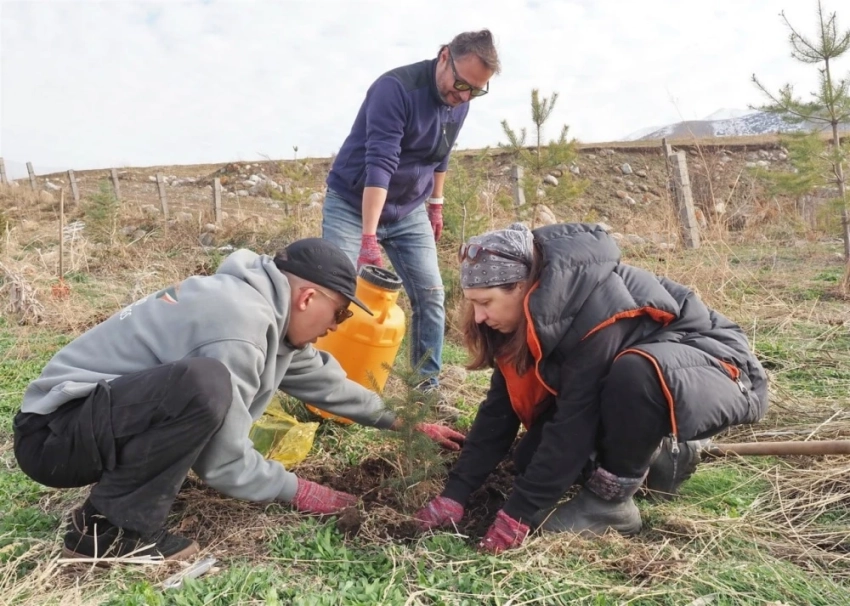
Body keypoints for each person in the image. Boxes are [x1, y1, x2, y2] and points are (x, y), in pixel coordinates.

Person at [13, 238, 464, 562]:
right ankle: (108, 530)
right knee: (205, 384)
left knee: (201, 385)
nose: (336, 325)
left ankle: (128, 498)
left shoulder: (264, 312)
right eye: (340, 312)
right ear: (308, 297)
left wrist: (403, 422)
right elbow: (223, 463)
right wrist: (304, 491)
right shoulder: (239, 325)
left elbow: (326, 384)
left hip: (88, 420)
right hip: (54, 438)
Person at [415, 223, 768, 554]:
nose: (477, 317)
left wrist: (517, 514)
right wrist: (456, 493)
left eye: (485, 302)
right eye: (472, 302)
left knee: (636, 372)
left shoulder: (596, 310)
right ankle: (661, 457)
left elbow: (574, 422)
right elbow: (500, 409)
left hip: (717, 367)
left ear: (521, 287)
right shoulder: (533, 315)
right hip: (640, 378)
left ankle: (611, 504)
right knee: (528, 460)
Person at [321, 29, 501, 412]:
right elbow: (380, 164)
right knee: (332, 290)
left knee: (432, 295)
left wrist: (436, 203)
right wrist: (368, 238)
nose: (465, 96)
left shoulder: (460, 101)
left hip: (408, 209)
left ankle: (424, 390)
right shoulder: (395, 89)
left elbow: (442, 156)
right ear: (443, 57)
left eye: (476, 90)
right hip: (354, 201)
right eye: (461, 84)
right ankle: (323, 385)